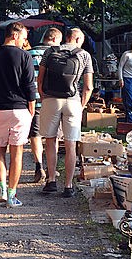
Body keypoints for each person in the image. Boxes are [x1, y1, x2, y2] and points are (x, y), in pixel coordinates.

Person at [0, 23, 37, 208]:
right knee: (17, 152)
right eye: (23, 37)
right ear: (14, 35)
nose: (24, 41)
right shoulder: (24, 56)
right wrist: (31, 108)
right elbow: (30, 86)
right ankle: (12, 195)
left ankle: (1, 189)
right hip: (20, 109)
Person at [38, 28, 94, 198]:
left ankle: (51, 180)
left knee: (50, 141)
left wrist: (44, 97)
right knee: (70, 144)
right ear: (77, 39)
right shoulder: (84, 55)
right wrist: (82, 105)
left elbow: (39, 79)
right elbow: (88, 87)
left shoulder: (50, 51)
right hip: (73, 101)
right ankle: (68, 186)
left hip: (51, 100)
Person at [27, 27, 63, 184]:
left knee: (35, 134)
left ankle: (38, 166)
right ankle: (51, 168)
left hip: (33, 99)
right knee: (52, 135)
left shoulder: (29, 53)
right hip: (54, 99)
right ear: (54, 39)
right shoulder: (59, 54)